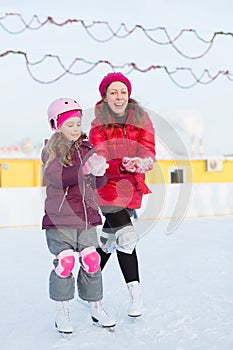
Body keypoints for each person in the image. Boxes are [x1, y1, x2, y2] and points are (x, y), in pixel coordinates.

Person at [41, 97, 115, 335]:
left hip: (85, 218)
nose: (75, 128)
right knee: (66, 263)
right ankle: (61, 310)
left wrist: (100, 171)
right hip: (59, 219)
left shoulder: (87, 148)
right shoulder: (51, 150)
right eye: (70, 124)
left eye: (77, 123)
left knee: (92, 261)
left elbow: (96, 183)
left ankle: (96, 306)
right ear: (56, 125)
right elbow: (58, 177)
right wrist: (84, 168)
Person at [89, 72, 156, 317]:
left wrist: (143, 162)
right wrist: (125, 164)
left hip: (132, 187)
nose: (119, 97)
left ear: (129, 94)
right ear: (105, 97)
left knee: (107, 242)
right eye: (113, 92)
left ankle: (84, 285)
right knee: (126, 238)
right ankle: (135, 296)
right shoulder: (98, 125)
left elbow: (148, 148)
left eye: (123, 92)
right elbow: (101, 156)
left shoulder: (142, 119)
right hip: (107, 188)